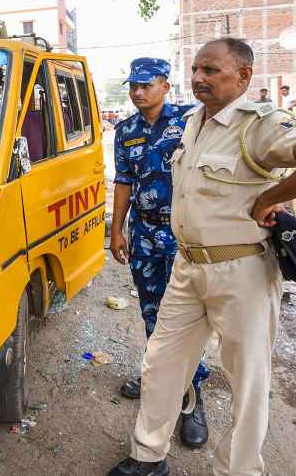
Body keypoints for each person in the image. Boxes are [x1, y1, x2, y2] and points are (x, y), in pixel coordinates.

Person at [108, 38, 296, 476]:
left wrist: (274, 197)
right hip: (187, 266)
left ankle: (238, 469)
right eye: (197, 70)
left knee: (247, 380)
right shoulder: (192, 123)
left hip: (240, 269)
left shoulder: (259, 123)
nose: (200, 77)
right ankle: (148, 455)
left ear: (243, 76)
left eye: (212, 70)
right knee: (161, 363)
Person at [110, 57, 210, 448]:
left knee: (189, 319)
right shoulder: (126, 130)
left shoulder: (193, 119)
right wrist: (116, 230)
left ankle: (192, 396)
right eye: (133, 85)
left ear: (166, 85)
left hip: (188, 235)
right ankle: (159, 379)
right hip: (147, 235)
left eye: (146, 85)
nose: (137, 92)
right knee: (153, 313)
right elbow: (122, 181)